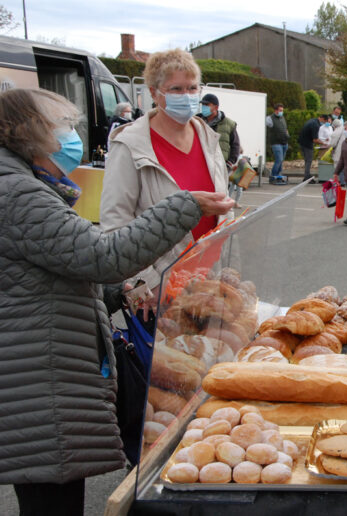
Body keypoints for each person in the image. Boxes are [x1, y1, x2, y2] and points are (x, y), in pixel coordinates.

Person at [0, 87, 233, 516]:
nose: (71, 135)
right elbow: (104, 255)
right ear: (30, 132)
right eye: (62, 126)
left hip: (39, 365)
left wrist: (116, 292)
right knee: (50, 499)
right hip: (37, 375)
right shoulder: (18, 194)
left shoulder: (25, 184)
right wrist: (183, 206)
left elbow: (46, 273)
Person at [101, 48, 234, 296]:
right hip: (162, 289)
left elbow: (221, 205)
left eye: (193, 88)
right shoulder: (130, 145)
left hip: (210, 283)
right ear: (154, 92)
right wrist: (147, 283)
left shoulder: (207, 137)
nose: (187, 96)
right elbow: (115, 225)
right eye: (176, 89)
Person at [197, 93, 240, 168]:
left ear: (216, 107)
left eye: (207, 105)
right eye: (203, 105)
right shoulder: (197, 121)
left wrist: (230, 163)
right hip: (200, 164)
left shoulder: (228, 124)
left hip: (220, 165)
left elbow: (235, 145)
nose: (204, 107)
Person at [298, 114, 328, 183]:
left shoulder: (313, 121)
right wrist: (324, 143)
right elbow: (315, 140)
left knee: (307, 160)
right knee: (309, 160)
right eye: (324, 121)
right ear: (322, 119)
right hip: (307, 144)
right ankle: (306, 177)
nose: (323, 123)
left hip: (303, 142)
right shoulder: (315, 125)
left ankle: (307, 175)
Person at [265, 103, 289, 184]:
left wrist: (287, 135)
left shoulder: (282, 118)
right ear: (275, 110)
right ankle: (273, 176)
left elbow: (285, 129)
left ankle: (278, 175)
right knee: (279, 160)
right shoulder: (270, 118)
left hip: (284, 142)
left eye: (282, 110)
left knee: (281, 161)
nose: (282, 112)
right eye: (280, 110)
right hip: (276, 142)